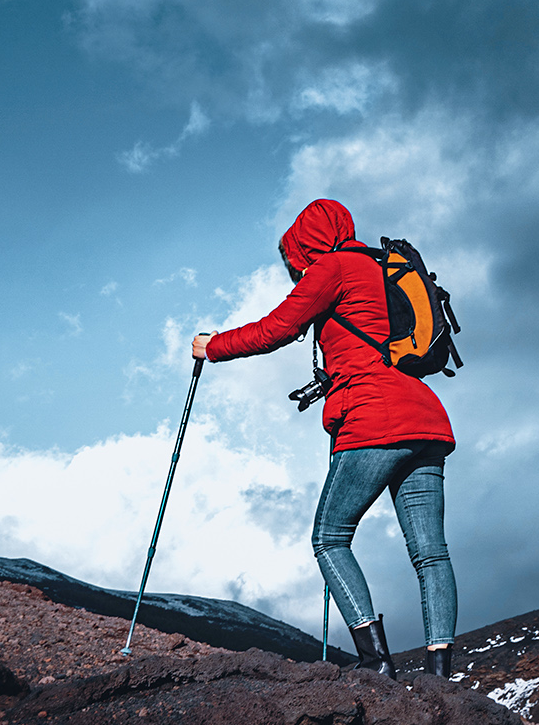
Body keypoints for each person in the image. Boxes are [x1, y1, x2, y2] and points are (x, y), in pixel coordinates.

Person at [192, 198, 458, 679]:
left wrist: (212, 346)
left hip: (373, 418)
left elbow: (277, 329)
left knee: (329, 537)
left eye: (292, 255)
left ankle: (376, 663)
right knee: (431, 553)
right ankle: (441, 673)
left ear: (303, 243)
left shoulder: (333, 268)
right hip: (425, 418)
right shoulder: (382, 267)